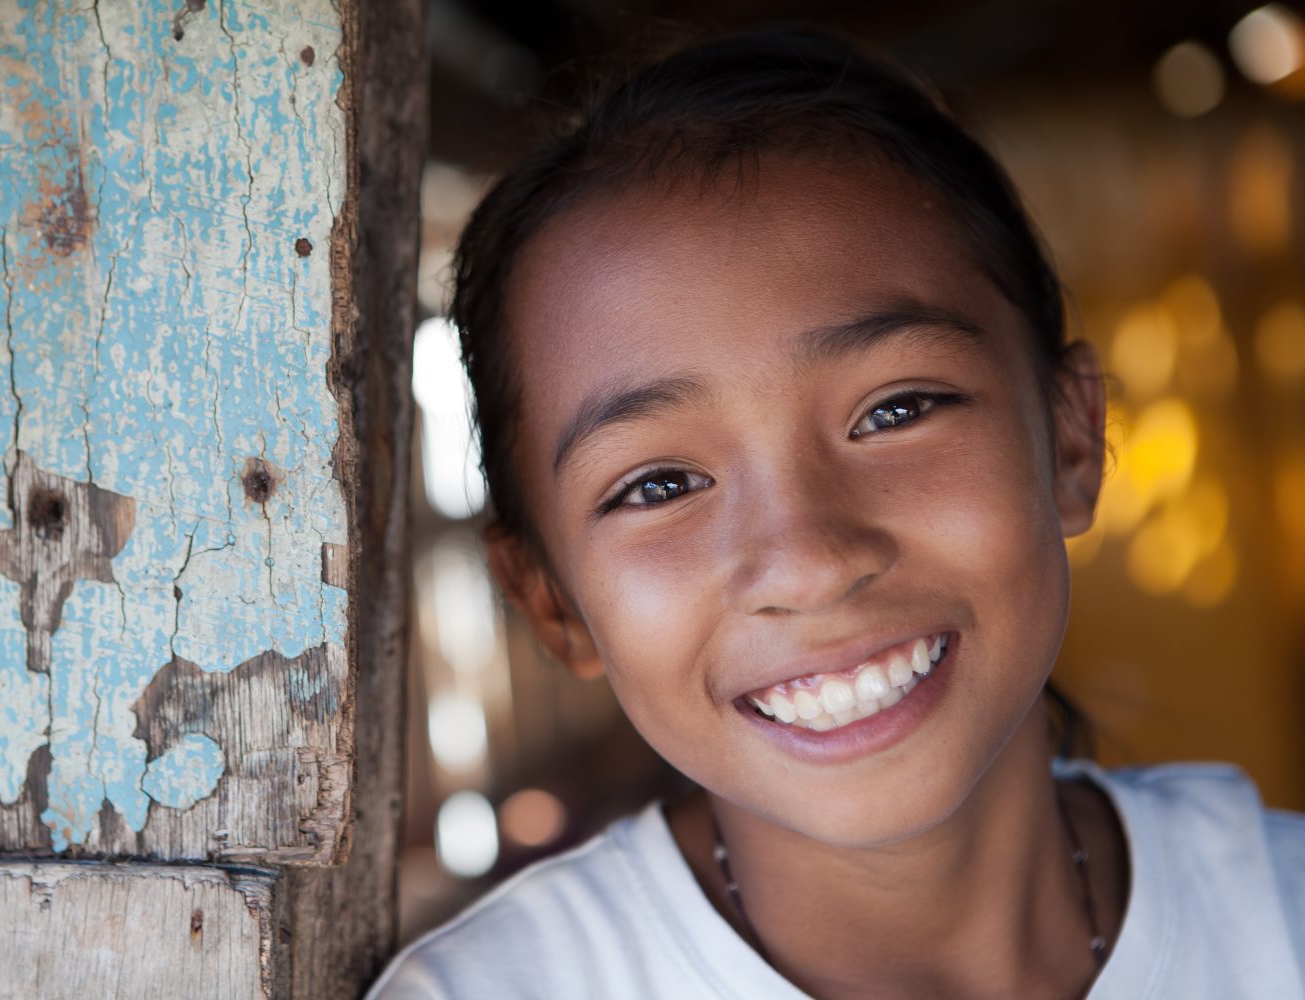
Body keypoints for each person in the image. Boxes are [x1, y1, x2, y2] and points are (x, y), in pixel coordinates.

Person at [369, 26, 1305, 1000]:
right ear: (550, 600)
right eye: (659, 485)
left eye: (894, 410)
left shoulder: (1281, 918)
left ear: (1069, 438)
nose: (809, 560)